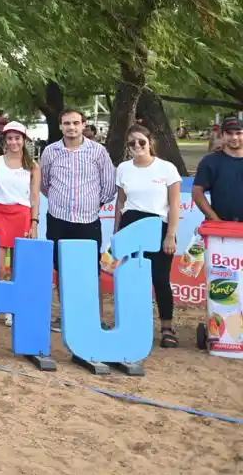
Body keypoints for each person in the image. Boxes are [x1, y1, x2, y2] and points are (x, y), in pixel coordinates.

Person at [39, 108, 116, 330]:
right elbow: (45, 184)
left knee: (91, 271)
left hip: (88, 221)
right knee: (61, 269)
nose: (71, 127)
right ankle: (67, 316)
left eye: (75, 123)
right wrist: (60, 200)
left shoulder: (98, 152)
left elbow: (108, 186)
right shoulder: (50, 152)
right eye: (66, 123)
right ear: (60, 126)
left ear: (83, 125)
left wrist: (92, 204)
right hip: (58, 219)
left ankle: (95, 317)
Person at [114, 124, 181, 348]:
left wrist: (170, 234)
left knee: (160, 278)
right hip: (131, 225)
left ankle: (167, 327)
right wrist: (116, 233)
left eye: (141, 142)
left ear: (150, 142)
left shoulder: (167, 168)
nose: (137, 146)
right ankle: (134, 325)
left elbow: (174, 205)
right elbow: (121, 203)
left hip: (158, 227)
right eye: (131, 143)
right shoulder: (123, 168)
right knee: (133, 278)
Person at [0, 120, 40, 325]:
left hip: (22, 215)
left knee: (17, 267)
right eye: (9, 138)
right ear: (4, 141)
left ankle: (12, 308)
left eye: (17, 138)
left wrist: (34, 222)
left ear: (24, 140)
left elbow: (34, 197)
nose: (13, 142)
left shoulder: (32, 166)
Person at [193, 115, 243, 222]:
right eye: (229, 133)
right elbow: (197, 193)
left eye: (239, 133)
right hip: (219, 228)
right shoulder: (210, 161)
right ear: (222, 135)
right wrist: (215, 220)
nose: (234, 137)